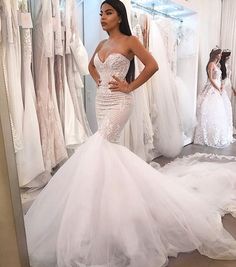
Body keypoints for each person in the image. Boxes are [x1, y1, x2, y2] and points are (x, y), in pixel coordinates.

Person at [25, 2, 236, 267]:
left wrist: (130, 86)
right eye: (101, 13)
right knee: (105, 152)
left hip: (121, 102)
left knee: (98, 146)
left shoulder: (130, 40)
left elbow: (153, 65)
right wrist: (99, 82)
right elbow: (91, 67)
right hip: (102, 102)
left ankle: (104, 214)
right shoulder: (101, 46)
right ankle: (111, 210)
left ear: (119, 16)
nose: (103, 18)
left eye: (108, 12)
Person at [194, 47, 233, 147]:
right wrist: (217, 87)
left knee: (218, 112)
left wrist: (221, 86)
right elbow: (210, 79)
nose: (221, 55)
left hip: (218, 88)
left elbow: (219, 78)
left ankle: (215, 134)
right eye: (219, 54)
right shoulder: (211, 64)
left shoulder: (217, 65)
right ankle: (208, 135)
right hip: (212, 89)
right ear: (215, 54)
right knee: (210, 110)